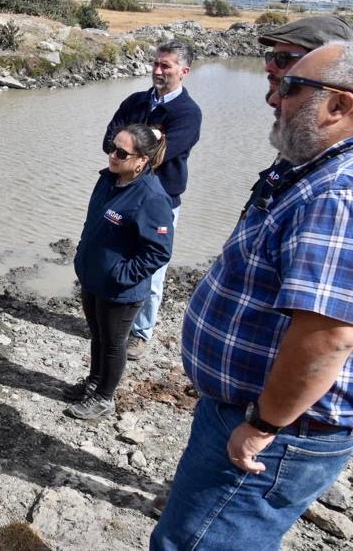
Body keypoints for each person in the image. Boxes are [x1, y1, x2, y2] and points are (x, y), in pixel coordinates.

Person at [151, 41, 353, 550]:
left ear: (340, 104)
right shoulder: (313, 171)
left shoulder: (337, 193)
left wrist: (263, 424)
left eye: (289, 87)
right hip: (247, 410)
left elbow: (328, 337)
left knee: (196, 543)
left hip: (276, 430)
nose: (273, 98)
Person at [66, 124, 173, 420]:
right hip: (93, 278)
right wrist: (82, 256)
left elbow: (159, 251)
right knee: (97, 336)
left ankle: (104, 398)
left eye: (121, 152)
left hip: (120, 289)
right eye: (111, 148)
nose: (112, 155)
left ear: (141, 161)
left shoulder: (151, 196)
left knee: (114, 344)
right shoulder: (108, 180)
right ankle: (93, 383)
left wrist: (121, 275)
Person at [103, 39, 202, 359]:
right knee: (111, 255)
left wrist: (131, 146)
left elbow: (161, 157)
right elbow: (109, 140)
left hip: (161, 202)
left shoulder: (188, 113)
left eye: (166, 66)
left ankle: (140, 333)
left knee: (151, 271)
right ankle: (111, 318)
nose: (157, 71)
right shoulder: (134, 101)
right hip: (119, 194)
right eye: (156, 63)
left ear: (184, 71)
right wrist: (144, 143)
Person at [241, 15, 353, 216]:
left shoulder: (336, 187)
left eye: (282, 58)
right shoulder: (302, 142)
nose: (269, 67)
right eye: (270, 56)